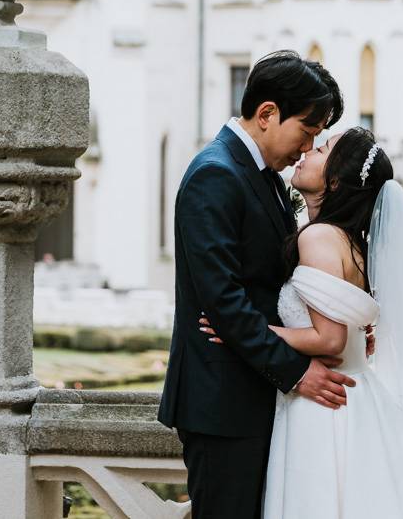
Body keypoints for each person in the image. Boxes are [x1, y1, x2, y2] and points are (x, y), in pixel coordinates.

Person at [199, 127, 403, 517]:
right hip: (357, 399)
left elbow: (329, 340)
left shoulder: (317, 238)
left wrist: (241, 332)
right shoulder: (353, 242)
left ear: (333, 180)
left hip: (323, 408)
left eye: (323, 149)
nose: (309, 150)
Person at [158, 50, 351, 519]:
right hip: (222, 405)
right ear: (267, 114)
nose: (308, 149)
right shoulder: (215, 175)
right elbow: (223, 301)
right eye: (306, 131)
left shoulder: (262, 176)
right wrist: (298, 371)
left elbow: (282, 283)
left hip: (256, 395)